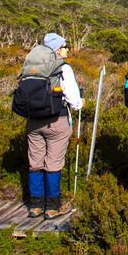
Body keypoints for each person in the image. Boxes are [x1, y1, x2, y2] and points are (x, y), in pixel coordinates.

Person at [24, 33, 85, 219]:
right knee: (54, 162)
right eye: (65, 46)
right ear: (58, 49)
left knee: (35, 161)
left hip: (33, 121)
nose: (67, 49)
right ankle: (52, 206)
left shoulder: (31, 65)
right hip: (56, 121)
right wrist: (79, 103)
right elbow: (73, 99)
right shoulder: (63, 68)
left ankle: (35, 205)